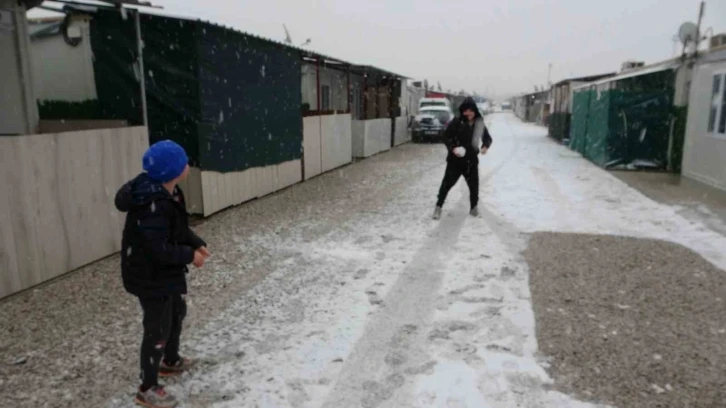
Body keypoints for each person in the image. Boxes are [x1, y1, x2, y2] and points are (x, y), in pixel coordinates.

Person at [115, 140, 209, 408]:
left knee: (176, 312)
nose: (188, 166)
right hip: (148, 275)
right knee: (157, 328)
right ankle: (147, 388)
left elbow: (177, 229)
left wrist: (195, 242)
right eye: (183, 163)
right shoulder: (151, 203)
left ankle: (170, 361)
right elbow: (158, 249)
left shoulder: (170, 192)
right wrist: (190, 256)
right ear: (172, 171)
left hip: (163, 273)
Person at [433, 97, 493, 220]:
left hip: (471, 161)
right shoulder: (457, 121)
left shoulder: (479, 123)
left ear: (475, 110)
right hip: (455, 161)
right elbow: (445, 136)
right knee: (446, 184)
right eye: (466, 111)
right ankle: (438, 207)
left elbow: (487, 138)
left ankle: (474, 208)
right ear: (462, 111)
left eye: (471, 111)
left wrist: (485, 147)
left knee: (474, 186)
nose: (468, 113)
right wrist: (453, 148)